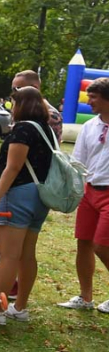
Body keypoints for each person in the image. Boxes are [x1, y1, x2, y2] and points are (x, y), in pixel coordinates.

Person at [0, 86, 54, 324]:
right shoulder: (45, 129)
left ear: (21, 105)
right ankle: (20, 307)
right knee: (27, 254)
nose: (11, 107)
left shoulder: (23, 129)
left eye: (13, 103)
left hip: (17, 195)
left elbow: (13, 167)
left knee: (8, 255)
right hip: (39, 196)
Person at [58, 77, 109, 312]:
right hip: (89, 191)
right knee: (84, 243)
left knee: (102, 245)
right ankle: (85, 297)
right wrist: (73, 189)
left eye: (94, 97)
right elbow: (78, 161)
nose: (89, 102)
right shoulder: (89, 126)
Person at [12, 69, 62, 142]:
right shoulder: (23, 111)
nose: (15, 93)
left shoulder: (51, 115)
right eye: (13, 90)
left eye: (18, 89)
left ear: (35, 88)